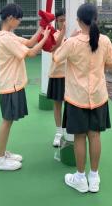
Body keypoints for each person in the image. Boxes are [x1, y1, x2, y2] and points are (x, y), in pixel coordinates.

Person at [53, 3, 112, 193]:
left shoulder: (72, 42)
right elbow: (111, 64)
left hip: (76, 97)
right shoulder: (104, 40)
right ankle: (94, 177)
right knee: (95, 135)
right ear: (96, 18)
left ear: (79, 21)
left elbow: (56, 57)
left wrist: (69, 39)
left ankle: (80, 178)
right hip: (98, 96)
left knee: (79, 137)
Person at [0, 3, 51, 171]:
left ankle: (2, 153)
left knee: (8, 121)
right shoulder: (6, 38)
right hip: (10, 84)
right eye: (19, 19)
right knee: (7, 121)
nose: (20, 22)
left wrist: (42, 28)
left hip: (12, 83)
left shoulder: (9, 35)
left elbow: (30, 42)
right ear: (10, 18)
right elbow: (30, 53)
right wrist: (45, 38)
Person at [45, 8, 67, 147]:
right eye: (60, 20)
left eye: (65, 20)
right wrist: (64, 34)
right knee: (58, 104)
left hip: (72, 75)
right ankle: (59, 132)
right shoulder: (55, 34)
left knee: (72, 106)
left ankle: (69, 131)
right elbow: (55, 48)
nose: (63, 23)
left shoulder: (78, 34)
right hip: (57, 74)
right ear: (57, 22)